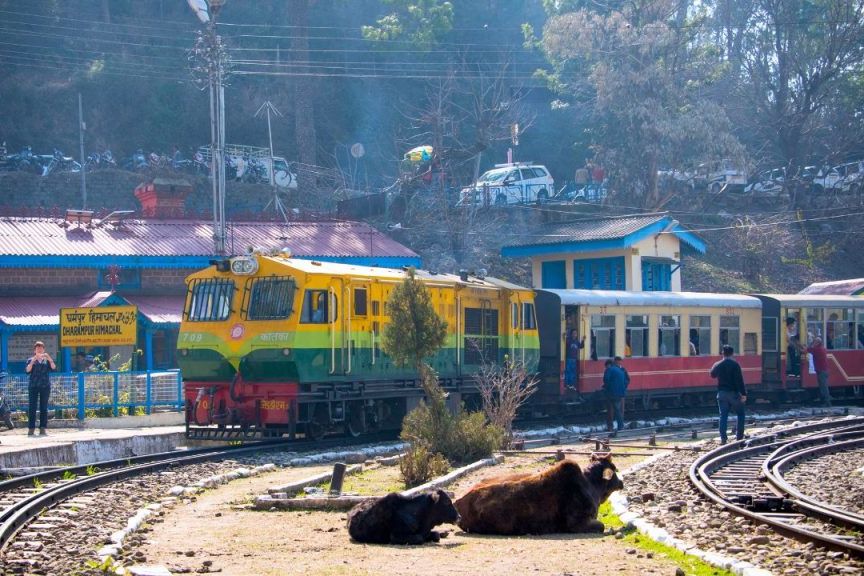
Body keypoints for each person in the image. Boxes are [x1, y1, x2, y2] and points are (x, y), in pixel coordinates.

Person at [710, 345, 747, 445]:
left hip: (722, 394)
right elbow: (740, 381)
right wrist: (743, 394)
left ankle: (723, 438)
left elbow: (712, 374)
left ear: (723, 353)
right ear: (732, 353)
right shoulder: (735, 365)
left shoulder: (718, 364)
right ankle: (739, 438)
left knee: (723, 416)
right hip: (733, 394)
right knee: (741, 414)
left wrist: (716, 366)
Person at [25, 341, 55, 436]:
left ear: (44, 350)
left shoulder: (47, 361)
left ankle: (43, 428)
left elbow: (54, 368)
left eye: (41, 348)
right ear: (34, 350)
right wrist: (33, 360)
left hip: (45, 386)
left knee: (44, 408)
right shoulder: (30, 360)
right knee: (32, 407)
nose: (39, 350)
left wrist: (49, 358)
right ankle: (31, 428)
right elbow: (27, 370)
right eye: (37, 348)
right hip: (33, 386)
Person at [804, 337, 832, 407]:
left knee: (824, 387)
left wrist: (808, 344)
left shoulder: (818, 349)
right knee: (823, 387)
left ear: (818, 343)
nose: (814, 343)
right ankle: (825, 402)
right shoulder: (821, 348)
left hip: (822, 371)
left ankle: (827, 403)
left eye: (815, 342)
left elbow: (807, 349)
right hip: (822, 370)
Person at [604, 357, 628, 434]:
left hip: (612, 393)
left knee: (613, 409)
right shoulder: (621, 370)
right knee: (617, 409)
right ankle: (620, 426)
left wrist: (606, 387)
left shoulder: (609, 370)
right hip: (621, 393)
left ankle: (615, 426)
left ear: (609, 365)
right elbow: (625, 381)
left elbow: (606, 380)